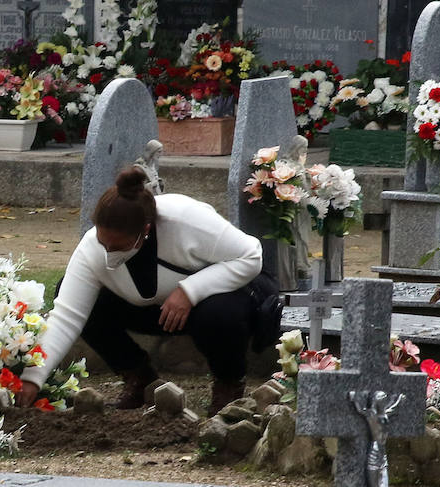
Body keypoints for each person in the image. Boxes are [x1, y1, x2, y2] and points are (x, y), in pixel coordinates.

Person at [14, 166, 263, 414]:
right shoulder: (92, 246)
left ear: (144, 230)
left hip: (216, 305)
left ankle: (228, 384)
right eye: (103, 243)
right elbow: (66, 317)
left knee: (220, 314)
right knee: (70, 293)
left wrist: (190, 291)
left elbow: (251, 256)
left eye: (118, 246)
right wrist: (33, 377)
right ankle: (139, 377)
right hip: (154, 312)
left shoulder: (185, 218)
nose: (108, 254)